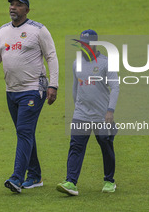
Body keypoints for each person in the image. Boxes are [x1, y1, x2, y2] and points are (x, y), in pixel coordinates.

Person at [0, 0, 59, 193]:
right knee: (25, 132)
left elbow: (51, 56)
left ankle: (16, 178)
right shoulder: (3, 31)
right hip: (11, 90)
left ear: (27, 10)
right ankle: (35, 176)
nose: (13, 8)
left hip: (33, 89)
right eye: (11, 5)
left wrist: (53, 85)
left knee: (23, 131)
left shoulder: (38, 30)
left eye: (18, 5)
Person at [56, 29, 119, 196]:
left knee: (106, 145)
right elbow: (75, 89)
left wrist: (110, 111)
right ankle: (71, 182)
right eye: (81, 43)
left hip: (102, 115)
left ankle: (109, 181)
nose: (83, 46)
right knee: (76, 146)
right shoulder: (76, 63)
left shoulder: (106, 62)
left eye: (86, 43)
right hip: (81, 114)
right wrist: (78, 108)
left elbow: (115, 87)